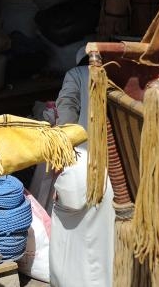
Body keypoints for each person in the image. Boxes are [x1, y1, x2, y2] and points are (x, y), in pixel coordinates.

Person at [48, 48, 115, 286]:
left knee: (72, 243)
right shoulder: (119, 77)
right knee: (105, 245)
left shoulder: (75, 74)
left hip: (82, 167)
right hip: (115, 172)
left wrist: (60, 167)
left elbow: (65, 122)